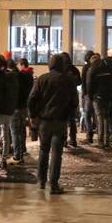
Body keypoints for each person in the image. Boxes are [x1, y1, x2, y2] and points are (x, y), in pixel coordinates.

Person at [27, 53, 78, 195]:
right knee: (57, 152)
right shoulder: (68, 80)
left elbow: (32, 98)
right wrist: (70, 114)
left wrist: (33, 115)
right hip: (60, 120)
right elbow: (74, 101)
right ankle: (54, 183)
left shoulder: (42, 79)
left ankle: (41, 180)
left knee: (44, 150)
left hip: (44, 120)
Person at [86, 53, 112, 149]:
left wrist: (91, 97)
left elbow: (89, 85)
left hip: (98, 97)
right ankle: (107, 140)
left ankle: (100, 141)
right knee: (106, 118)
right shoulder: (108, 68)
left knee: (99, 118)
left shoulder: (92, 69)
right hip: (108, 96)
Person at [11, 58, 34, 162]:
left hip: (15, 106)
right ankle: (23, 148)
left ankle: (17, 155)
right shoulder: (29, 76)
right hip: (24, 106)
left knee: (15, 131)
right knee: (22, 129)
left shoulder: (16, 76)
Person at [61, 53, 81, 147]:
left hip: (63, 97)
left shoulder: (61, 69)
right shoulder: (74, 69)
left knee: (63, 120)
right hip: (73, 96)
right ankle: (73, 139)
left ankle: (64, 140)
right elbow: (79, 82)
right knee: (72, 119)